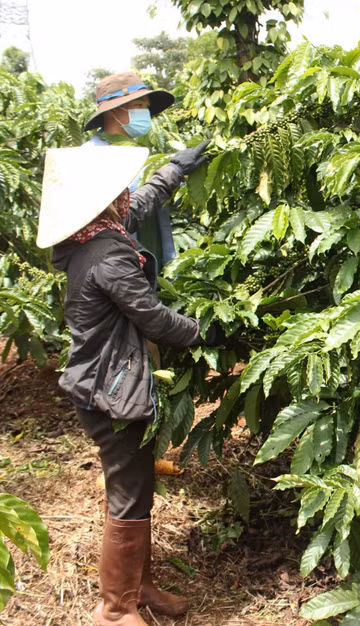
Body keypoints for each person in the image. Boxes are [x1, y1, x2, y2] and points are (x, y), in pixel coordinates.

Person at [36, 143, 212, 626]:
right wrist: (206, 332)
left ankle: (140, 588)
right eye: (118, 190)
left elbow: (141, 203)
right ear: (102, 200)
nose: (126, 195)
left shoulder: (92, 233)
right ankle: (115, 609)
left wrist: (175, 170)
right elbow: (153, 318)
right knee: (129, 492)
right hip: (110, 390)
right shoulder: (107, 251)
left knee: (137, 483)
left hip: (105, 381)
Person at [84, 71, 179, 268]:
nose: (144, 112)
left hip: (156, 259)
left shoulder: (139, 153)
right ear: (113, 111)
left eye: (146, 107)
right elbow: (109, 222)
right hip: (119, 270)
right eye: (137, 106)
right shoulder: (90, 158)